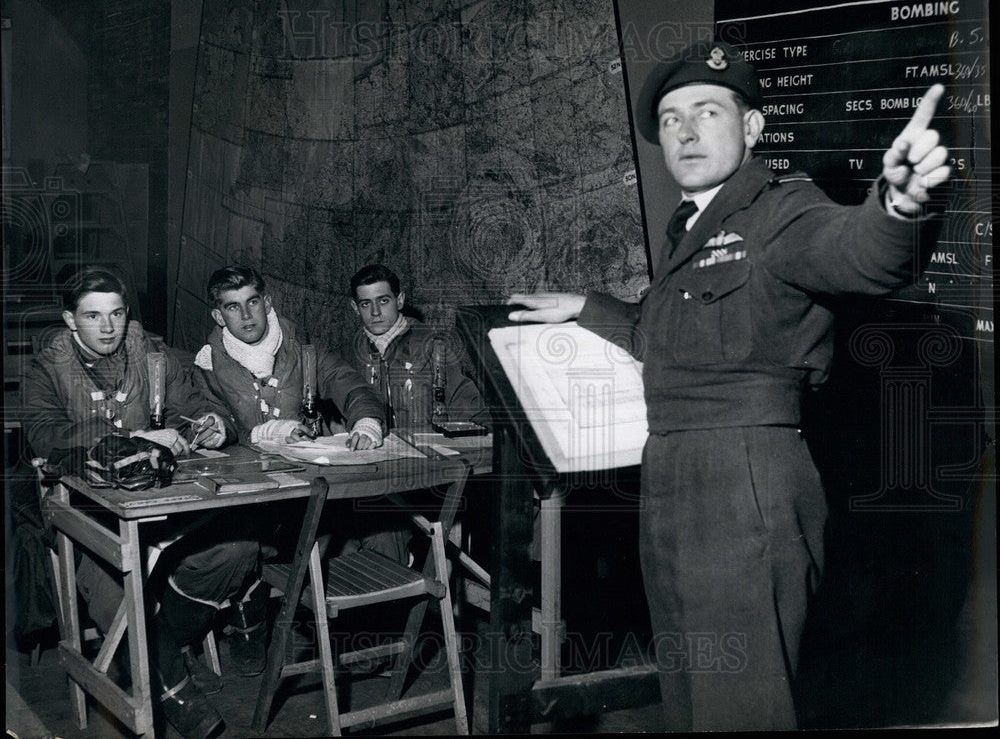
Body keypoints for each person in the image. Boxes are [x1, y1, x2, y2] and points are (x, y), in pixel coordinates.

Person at [506, 41, 950, 731]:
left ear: (751, 129)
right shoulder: (694, 228)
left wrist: (901, 204)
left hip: (744, 483)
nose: (685, 130)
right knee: (689, 698)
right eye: (672, 118)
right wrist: (590, 307)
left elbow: (860, 253)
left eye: (707, 111)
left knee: (743, 706)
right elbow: (670, 342)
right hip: (673, 480)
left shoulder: (781, 211)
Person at [22, 266, 259, 739]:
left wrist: (211, 422)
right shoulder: (48, 367)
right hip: (81, 505)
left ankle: (156, 642)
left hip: (159, 499)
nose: (108, 327)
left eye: (116, 313)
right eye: (93, 316)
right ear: (71, 320)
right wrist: (129, 437)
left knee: (237, 551)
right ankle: (172, 688)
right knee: (115, 576)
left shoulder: (150, 353)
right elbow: (44, 436)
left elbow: (192, 404)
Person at [193, 265, 408, 564]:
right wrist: (220, 429)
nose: (246, 316)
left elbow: (352, 386)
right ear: (219, 316)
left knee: (386, 536)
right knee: (233, 552)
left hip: (310, 490)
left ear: (267, 303)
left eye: (252, 302)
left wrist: (367, 420)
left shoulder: (305, 353)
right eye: (233, 306)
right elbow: (211, 417)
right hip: (250, 499)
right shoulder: (208, 366)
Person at [349, 263, 489, 431]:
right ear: (355, 308)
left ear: (399, 300)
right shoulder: (345, 357)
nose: (375, 312)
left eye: (383, 301)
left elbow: (473, 416)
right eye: (365, 304)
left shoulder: (433, 349)